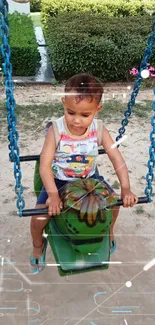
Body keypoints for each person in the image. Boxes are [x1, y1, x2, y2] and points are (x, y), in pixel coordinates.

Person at [30, 73, 138, 273]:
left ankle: (109, 232)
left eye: (85, 115)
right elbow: (45, 165)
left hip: (90, 180)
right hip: (59, 180)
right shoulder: (56, 130)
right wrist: (53, 195)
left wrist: (125, 188)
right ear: (63, 102)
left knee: (113, 205)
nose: (76, 121)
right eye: (71, 112)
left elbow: (117, 159)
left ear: (97, 110)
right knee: (39, 216)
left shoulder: (98, 129)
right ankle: (38, 245)